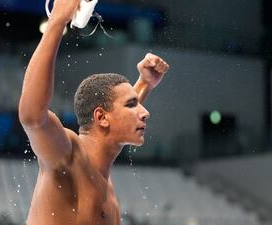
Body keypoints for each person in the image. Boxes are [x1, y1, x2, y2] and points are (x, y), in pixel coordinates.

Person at [18, 0, 169, 224]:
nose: (145, 112)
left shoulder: (102, 175)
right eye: (132, 104)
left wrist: (144, 84)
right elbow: (32, 118)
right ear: (100, 117)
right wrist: (57, 21)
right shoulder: (69, 156)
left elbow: (115, 115)